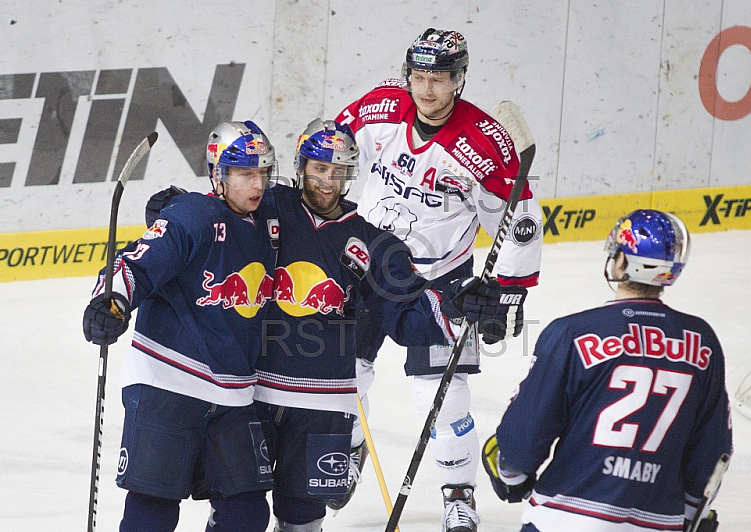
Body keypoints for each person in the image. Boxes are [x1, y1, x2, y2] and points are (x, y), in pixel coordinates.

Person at [142, 118, 525, 532]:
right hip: (252, 396)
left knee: (303, 522)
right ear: (300, 165)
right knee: (240, 515)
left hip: (325, 404)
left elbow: (407, 309)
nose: (328, 181)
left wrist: (457, 305)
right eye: (319, 168)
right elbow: (212, 215)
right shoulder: (266, 206)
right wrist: (175, 209)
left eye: (339, 170)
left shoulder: (372, 243)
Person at [334, 27, 543, 530]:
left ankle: (458, 493)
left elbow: (520, 226)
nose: (427, 89)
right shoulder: (380, 107)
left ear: (460, 79)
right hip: (365, 269)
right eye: (420, 76)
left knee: (441, 395)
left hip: (441, 282)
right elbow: (329, 154)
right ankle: (350, 447)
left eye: (440, 78)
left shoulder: (484, 144)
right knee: (342, 376)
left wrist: (505, 296)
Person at [82, 120, 281, 532]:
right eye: (245, 173)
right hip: (167, 382)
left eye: (262, 172)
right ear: (217, 175)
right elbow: (135, 263)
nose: (256, 184)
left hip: (233, 392)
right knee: (152, 511)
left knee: (247, 513)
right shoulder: (193, 216)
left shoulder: (269, 225)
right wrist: (112, 300)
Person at [482, 209, 734, 532]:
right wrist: (692, 513)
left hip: (562, 520)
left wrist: (510, 474)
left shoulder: (570, 334)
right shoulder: (703, 343)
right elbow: (712, 453)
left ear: (623, 263)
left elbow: (519, 444)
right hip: (658, 524)